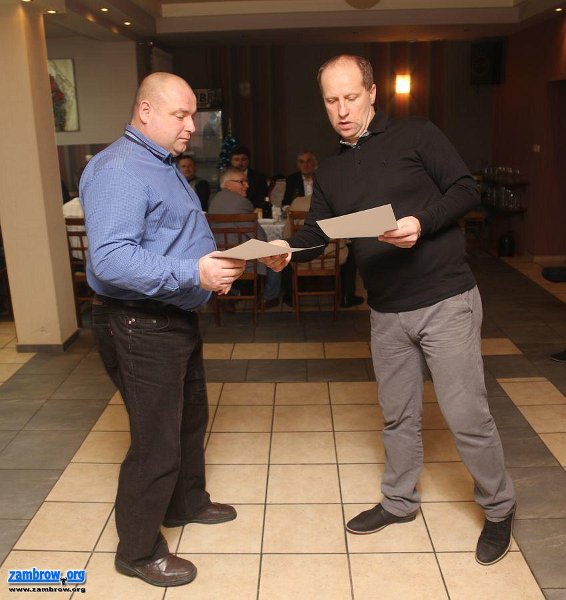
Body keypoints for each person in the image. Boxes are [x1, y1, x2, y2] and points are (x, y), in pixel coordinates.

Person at [261, 54, 516, 567]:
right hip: (386, 312)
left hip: (445, 299)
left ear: (373, 93)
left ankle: (499, 507)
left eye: (351, 98)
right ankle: (399, 502)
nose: (342, 110)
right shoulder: (332, 169)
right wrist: (288, 250)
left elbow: (466, 189)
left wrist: (421, 222)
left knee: (466, 416)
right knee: (398, 415)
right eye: (331, 101)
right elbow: (318, 233)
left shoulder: (416, 134)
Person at [79, 72, 246, 588]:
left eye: (192, 114)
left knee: (189, 418)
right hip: (139, 322)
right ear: (146, 111)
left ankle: (185, 503)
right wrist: (193, 273)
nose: (191, 126)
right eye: (181, 115)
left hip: (171, 317)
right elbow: (111, 260)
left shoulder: (161, 163)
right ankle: (137, 550)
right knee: (155, 442)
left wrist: (220, 263)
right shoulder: (119, 169)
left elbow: (171, 238)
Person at [208, 167, 282, 308]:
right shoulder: (241, 203)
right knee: (277, 254)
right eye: (242, 182)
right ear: (228, 184)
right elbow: (259, 237)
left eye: (246, 181)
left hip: (219, 255)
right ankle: (269, 297)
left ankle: (235, 293)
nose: (247, 185)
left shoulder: (214, 200)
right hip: (241, 258)